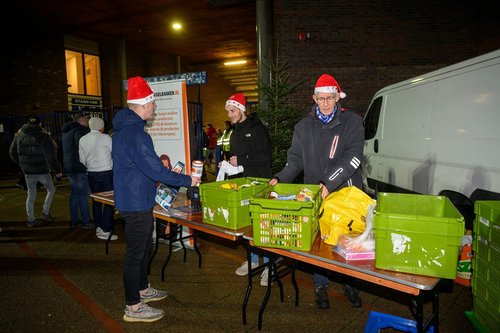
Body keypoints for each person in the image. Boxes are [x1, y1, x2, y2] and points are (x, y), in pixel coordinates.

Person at [269, 74, 364, 309]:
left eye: (330, 98)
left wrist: (328, 183)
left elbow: (353, 158)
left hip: (345, 195)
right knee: (319, 241)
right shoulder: (303, 127)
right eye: (320, 98)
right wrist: (279, 179)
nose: (325, 103)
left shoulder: (351, 121)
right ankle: (320, 283)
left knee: (346, 241)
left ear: (337, 97)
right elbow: (295, 161)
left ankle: (349, 281)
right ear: (313, 98)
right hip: (316, 193)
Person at [112, 76, 201, 323]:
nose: (154, 107)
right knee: (135, 254)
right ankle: (133, 307)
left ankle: (142, 289)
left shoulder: (124, 132)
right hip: (136, 202)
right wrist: (188, 180)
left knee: (144, 248)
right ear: (143, 104)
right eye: (152, 103)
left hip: (136, 198)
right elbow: (155, 170)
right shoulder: (137, 135)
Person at [225, 93, 273, 286]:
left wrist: (241, 161)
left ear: (242, 110)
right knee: (247, 224)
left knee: (263, 225)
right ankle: (253, 261)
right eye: (228, 111)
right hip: (244, 184)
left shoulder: (258, 129)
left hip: (261, 183)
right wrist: (231, 167)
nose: (230, 114)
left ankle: (269, 266)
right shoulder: (235, 132)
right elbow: (238, 158)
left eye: (233, 110)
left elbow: (266, 156)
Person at [9, 114, 62, 227]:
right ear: (40, 124)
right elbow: (51, 156)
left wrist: (22, 164)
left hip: (28, 171)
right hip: (42, 169)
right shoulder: (44, 136)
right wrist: (57, 170)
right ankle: (45, 213)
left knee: (31, 194)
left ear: (27, 123)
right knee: (51, 190)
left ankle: (31, 220)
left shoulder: (19, 135)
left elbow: (12, 152)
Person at [79, 117, 117, 241]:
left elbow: (82, 159)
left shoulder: (83, 139)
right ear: (101, 126)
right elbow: (113, 153)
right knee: (108, 201)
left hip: (91, 173)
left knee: (96, 201)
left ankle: (99, 227)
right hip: (106, 172)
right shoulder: (106, 138)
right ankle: (106, 229)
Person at [62, 113, 92, 228]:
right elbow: (84, 148)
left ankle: (75, 219)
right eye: (86, 121)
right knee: (83, 194)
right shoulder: (80, 131)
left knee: (75, 194)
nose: (87, 123)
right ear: (81, 121)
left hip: (69, 166)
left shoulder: (66, 131)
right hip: (79, 166)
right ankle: (86, 220)